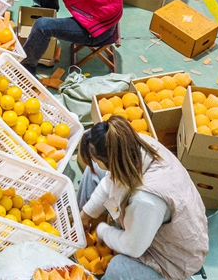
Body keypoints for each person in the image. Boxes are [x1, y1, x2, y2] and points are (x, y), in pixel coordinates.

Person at [78, 117, 209, 280]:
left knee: (118, 268)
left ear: (112, 162)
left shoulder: (146, 200)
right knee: (94, 171)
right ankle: (77, 230)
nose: (97, 163)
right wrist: (85, 215)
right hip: (147, 224)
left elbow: (133, 248)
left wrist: (103, 232)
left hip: (169, 257)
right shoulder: (131, 144)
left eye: (100, 160)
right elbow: (109, 180)